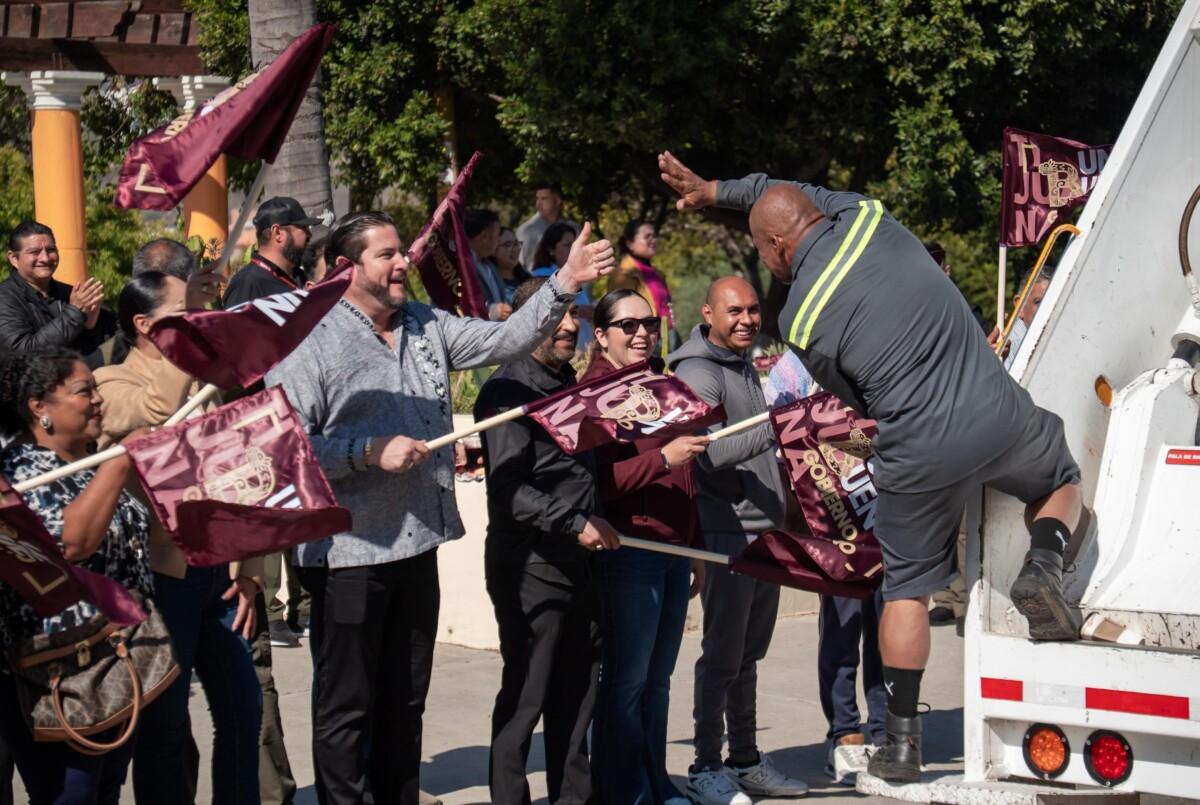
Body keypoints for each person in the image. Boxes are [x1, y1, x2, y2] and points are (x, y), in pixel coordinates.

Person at [659, 152, 1084, 784]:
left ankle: (902, 746)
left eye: (764, 250)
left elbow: (857, 402)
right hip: (995, 413)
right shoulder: (866, 215)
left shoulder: (799, 318)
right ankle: (1044, 562)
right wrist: (718, 188)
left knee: (907, 591)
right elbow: (789, 188)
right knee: (1059, 477)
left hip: (916, 452)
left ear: (777, 245)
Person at [266, 211, 614, 805]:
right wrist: (365, 452)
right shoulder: (310, 338)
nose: (404, 262)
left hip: (418, 544)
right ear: (349, 267)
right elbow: (284, 445)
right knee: (347, 707)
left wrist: (565, 284)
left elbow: (504, 339)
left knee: (405, 699)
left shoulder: (426, 324)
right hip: (348, 556)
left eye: (402, 251)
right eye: (387, 255)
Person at [94, 272, 264, 805]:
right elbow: (157, 412)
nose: (197, 317)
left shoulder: (207, 381)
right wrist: (188, 354)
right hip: (163, 581)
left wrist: (254, 570)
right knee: (165, 729)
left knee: (243, 711)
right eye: (183, 309)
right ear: (143, 324)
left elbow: (245, 469)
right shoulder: (110, 381)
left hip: (221, 576)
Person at [474, 278, 619, 804]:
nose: (567, 326)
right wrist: (573, 522)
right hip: (530, 565)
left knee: (578, 697)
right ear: (525, 319)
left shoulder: (568, 385)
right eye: (555, 315)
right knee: (527, 695)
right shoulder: (505, 392)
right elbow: (509, 493)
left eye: (573, 316)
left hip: (580, 564)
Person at [667, 277, 809, 804]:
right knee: (722, 657)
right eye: (734, 311)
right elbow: (711, 451)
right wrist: (783, 422)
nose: (747, 319)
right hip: (727, 533)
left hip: (763, 530)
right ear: (708, 312)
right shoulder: (696, 371)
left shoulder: (742, 361)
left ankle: (744, 759)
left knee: (748, 656)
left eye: (752, 310)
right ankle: (706, 765)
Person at [0, 349, 154, 805]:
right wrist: (118, 464)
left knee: (105, 789)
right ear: (39, 407)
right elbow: (69, 544)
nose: (98, 401)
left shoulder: (92, 463)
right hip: (58, 673)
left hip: (116, 664)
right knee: (71, 793)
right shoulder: (19, 473)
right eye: (84, 391)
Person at [583, 289, 708, 805]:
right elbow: (597, 485)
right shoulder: (589, 395)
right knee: (627, 683)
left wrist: (696, 548)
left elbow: (688, 476)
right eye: (628, 325)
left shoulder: (661, 384)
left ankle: (655, 783)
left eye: (648, 324)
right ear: (601, 335)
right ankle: (624, 792)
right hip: (629, 552)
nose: (641, 334)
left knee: (658, 683)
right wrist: (664, 458)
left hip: (674, 552)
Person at [765, 350, 885, 785]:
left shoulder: (885, 351)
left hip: (889, 512)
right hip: (832, 518)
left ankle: (885, 729)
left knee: (890, 627)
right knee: (841, 628)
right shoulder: (793, 368)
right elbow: (778, 437)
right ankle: (845, 732)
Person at [0, 222, 117, 369]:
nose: (45, 258)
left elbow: (91, 351)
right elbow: (23, 354)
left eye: (50, 250)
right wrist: (74, 313)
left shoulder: (69, 293)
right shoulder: (5, 298)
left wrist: (91, 326)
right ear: (13, 258)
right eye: (35, 252)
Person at [223, 196, 320, 308]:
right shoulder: (247, 284)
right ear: (278, 233)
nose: (309, 235)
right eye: (304, 228)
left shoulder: (301, 277)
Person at [607, 220, 679, 352]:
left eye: (654, 236)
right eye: (647, 237)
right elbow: (622, 315)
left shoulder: (657, 274)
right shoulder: (623, 275)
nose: (653, 240)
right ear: (630, 244)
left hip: (668, 338)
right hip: (646, 343)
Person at [532, 222, 593, 351]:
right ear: (551, 249)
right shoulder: (540, 277)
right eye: (567, 245)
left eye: (574, 244)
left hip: (584, 347)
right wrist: (579, 311)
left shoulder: (578, 274)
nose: (573, 250)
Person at [516, 181, 576, 269]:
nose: (538, 204)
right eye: (537, 198)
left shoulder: (574, 228)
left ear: (557, 200)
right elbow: (520, 266)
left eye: (544, 199)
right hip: (537, 280)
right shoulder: (526, 231)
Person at [465, 209, 510, 320]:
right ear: (484, 236)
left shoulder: (491, 267)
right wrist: (491, 311)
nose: (498, 241)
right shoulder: (461, 268)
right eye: (497, 235)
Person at [494, 227, 530, 301]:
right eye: (508, 245)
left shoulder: (528, 279)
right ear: (494, 249)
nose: (515, 249)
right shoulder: (492, 283)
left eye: (516, 244)